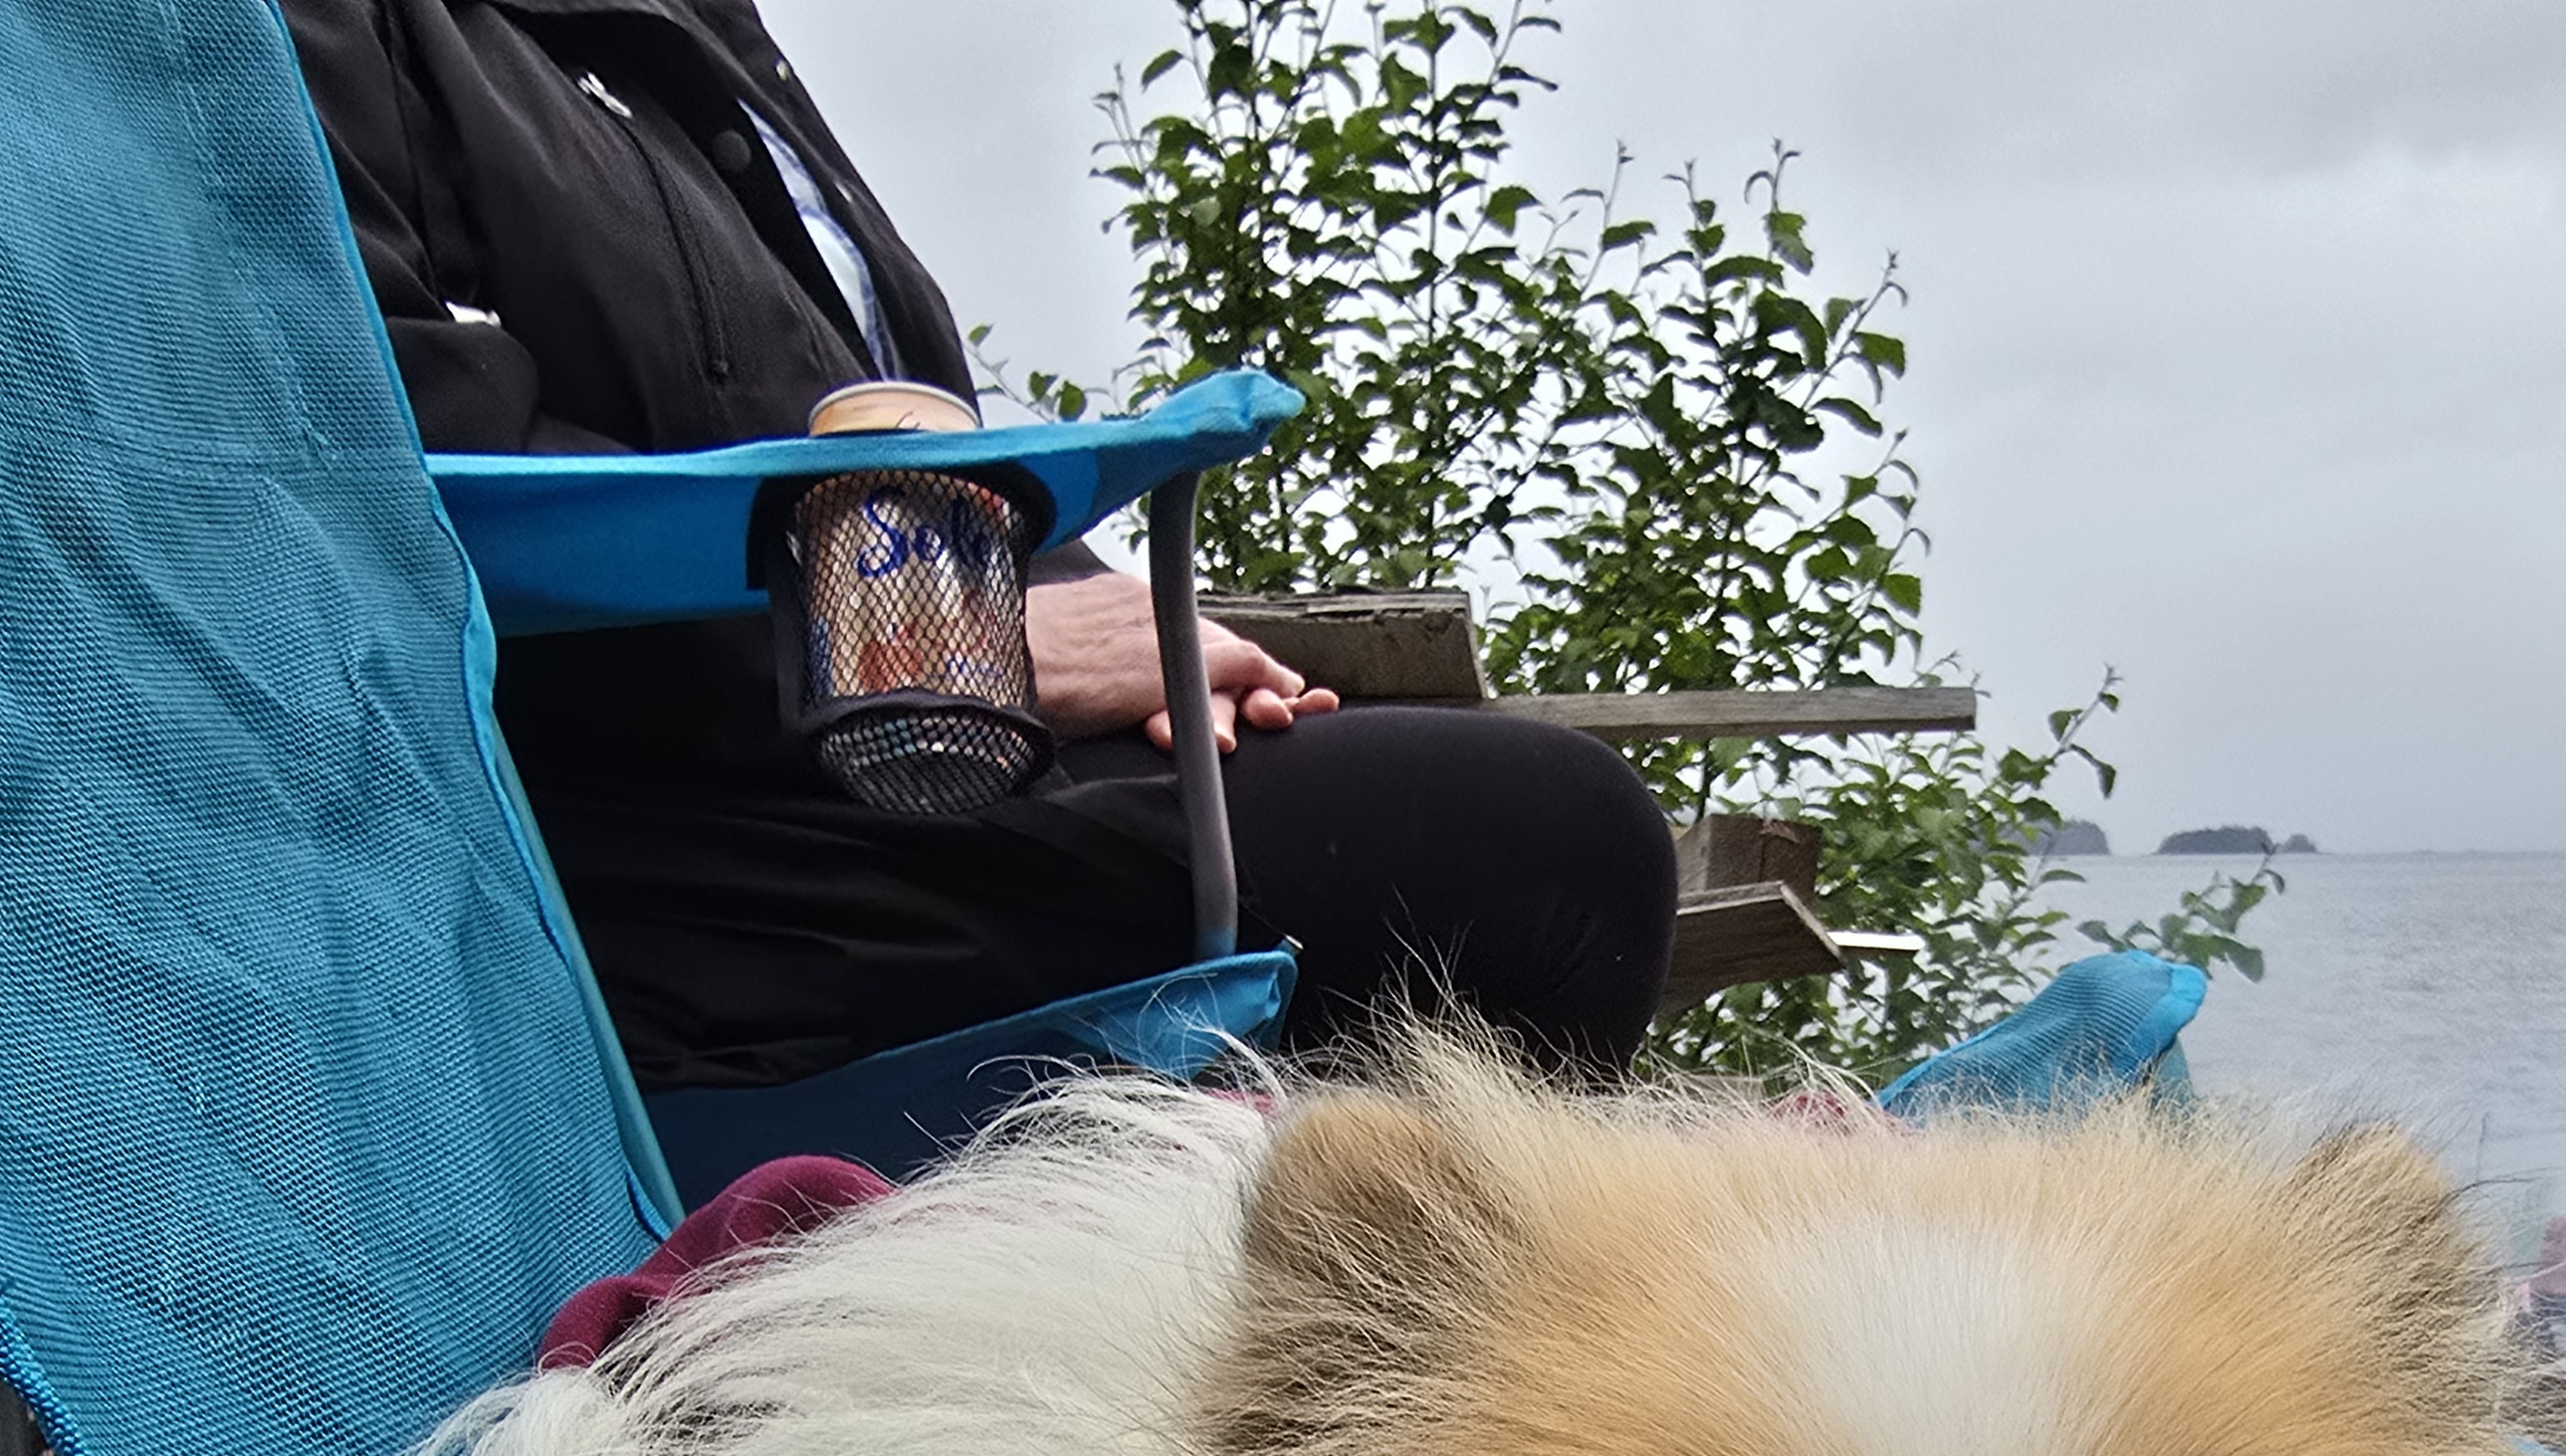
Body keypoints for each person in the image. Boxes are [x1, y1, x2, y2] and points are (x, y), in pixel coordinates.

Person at [282, 0, 1678, 1094]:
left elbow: (904, 474)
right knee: (1541, 860)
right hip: (675, 843)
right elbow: (369, 478)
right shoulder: (318, 36)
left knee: (1474, 822)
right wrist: (960, 642)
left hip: (925, 759)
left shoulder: (712, 55)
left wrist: (1136, 644)